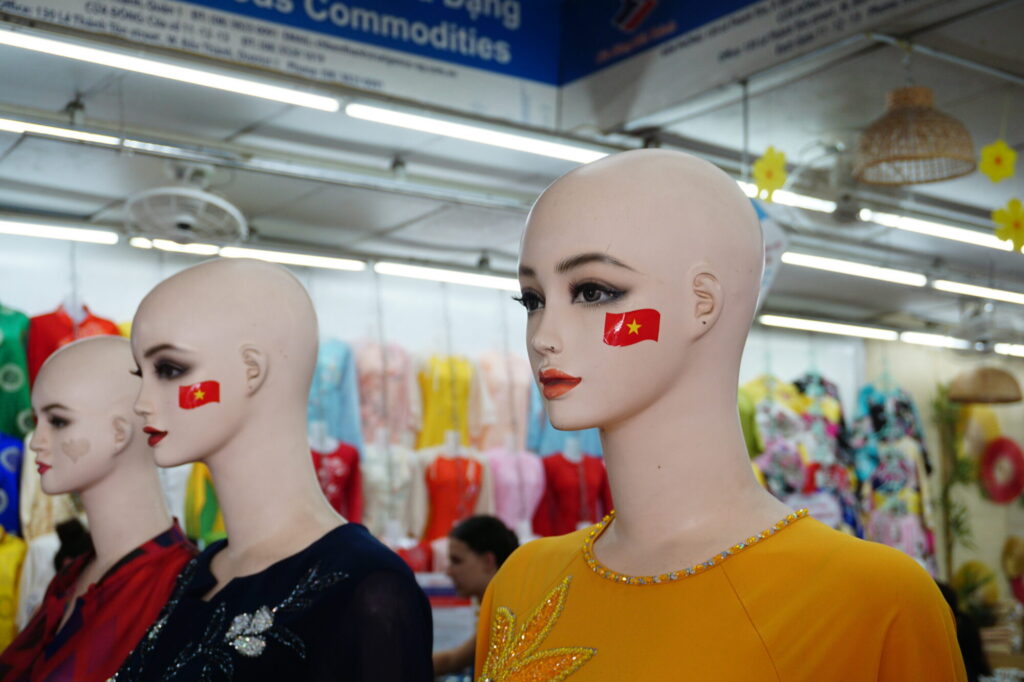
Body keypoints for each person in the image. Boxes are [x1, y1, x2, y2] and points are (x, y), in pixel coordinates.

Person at [474, 149, 967, 680]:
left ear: (701, 303)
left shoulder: (873, 601)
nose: (544, 337)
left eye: (593, 292)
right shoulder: (521, 583)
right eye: (532, 299)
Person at [115, 258, 433, 681]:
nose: (141, 402)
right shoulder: (200, 573)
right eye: (142, 373)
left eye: (170, 370)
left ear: (251, 370)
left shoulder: (367, 589)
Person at [0, 337, 196, 681]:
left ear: (119, 433)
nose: (35, 442)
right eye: (36, 420)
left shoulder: (177, 589)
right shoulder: (73, 575)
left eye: (58, 421)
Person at [433, 516, 518, 677]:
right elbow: (453, 660)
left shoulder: (507, 615)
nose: (449, 571)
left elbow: (452, 661)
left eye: (456, 561)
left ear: (488, 561)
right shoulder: (498, 607)